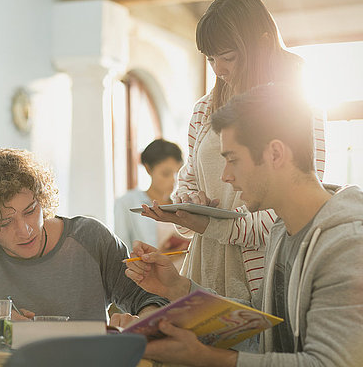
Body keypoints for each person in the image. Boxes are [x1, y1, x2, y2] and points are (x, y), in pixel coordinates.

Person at [125, 84, 363, 366]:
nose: (225, 176)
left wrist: (205, 357)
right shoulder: (283, 231)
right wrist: (178, 287)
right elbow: (263, 334)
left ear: (275, 154)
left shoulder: (348, 243)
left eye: (232, 160)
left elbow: (330, 363)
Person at [139, 0, 326, 302]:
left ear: (263, 44)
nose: (219, 70)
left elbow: (294, 211)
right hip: (204, 263)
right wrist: (188, 206)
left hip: (263, 270)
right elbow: (186, 183)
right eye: (210, 59)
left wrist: (211, 224)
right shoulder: (204, 108)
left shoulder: (296, 107)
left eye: (228, 57)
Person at [0, 148, 169, 321]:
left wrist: (142, 323)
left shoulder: (91, 238)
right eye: (4, 223)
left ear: (42, 199)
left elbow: (149, 298)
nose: (25, 230)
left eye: (30, 211)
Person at [114, 139, 186, 250]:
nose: (173, 180)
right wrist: (161, 257)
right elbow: (122, 253)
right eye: (166, 174)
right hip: (150, 266)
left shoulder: (183, 204)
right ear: (148, 169)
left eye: (177, 173)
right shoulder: (127, 203)